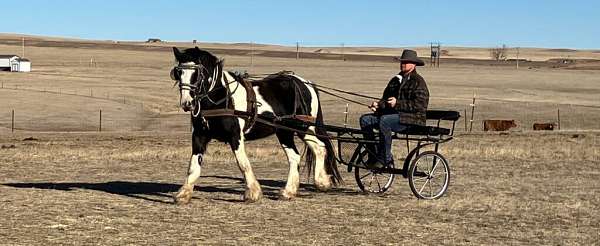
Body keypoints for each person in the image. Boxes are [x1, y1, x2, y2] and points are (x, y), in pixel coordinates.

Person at [359, 49, 429, 168]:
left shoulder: (418, 82)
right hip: (393, 117)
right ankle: (373, 154)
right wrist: (378, 105)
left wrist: (398, 103)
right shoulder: (395, 80)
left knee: (385, 120)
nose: (403, 64)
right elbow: (386, 100)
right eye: (402, 61)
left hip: (412, 119)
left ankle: (385, 158)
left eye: (406, 62)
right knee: (365, 120)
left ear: (414, 64)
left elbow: (420, 105)